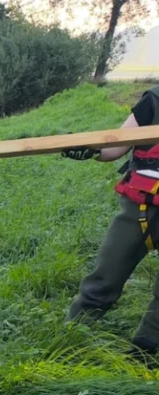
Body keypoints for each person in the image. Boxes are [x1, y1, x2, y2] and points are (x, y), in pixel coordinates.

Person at [63, 85, 159, 357]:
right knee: (104, 278)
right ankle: (68, 344)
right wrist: (91, 150)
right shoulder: (155, 100)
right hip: (139, 209)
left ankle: (143, 357)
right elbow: (116, 147)